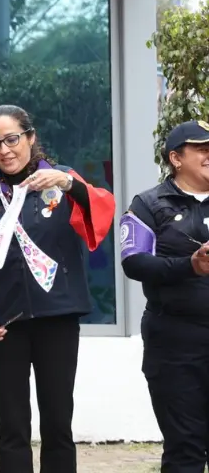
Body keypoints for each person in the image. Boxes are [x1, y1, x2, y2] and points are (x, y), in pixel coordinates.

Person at [0, 105, 114, 473]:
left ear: (30, 137)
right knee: (12, 426)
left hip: (58, 316)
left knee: (58, 422)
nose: (5, 150)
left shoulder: (61, 180)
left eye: (12, 139)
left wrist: (69, 184)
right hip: (3, 321)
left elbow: (102, 209)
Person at [120, 120, 209, 473]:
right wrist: (190, 265)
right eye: (201, 149)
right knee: (185, 448)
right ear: (176, 157)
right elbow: (134, 262)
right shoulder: (149, 204)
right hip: (174, 343)